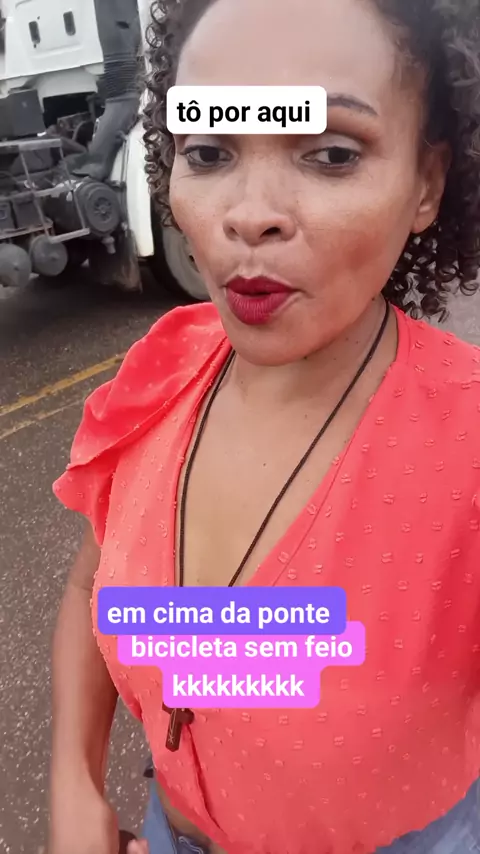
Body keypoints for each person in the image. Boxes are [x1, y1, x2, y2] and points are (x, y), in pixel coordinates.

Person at [48, 0, 480, 852]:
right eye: (210, 151)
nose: (250, 214)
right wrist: (73, 783)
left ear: (426, 183)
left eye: (331, 153)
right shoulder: (163, 370)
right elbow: (87, 591)